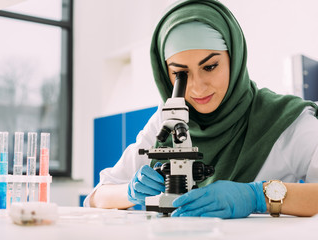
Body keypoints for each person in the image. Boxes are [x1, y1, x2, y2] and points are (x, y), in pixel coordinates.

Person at [84, 0, 318, 218]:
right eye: (180, 74)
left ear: (234, 59)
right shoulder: (168, 119)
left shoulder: (286, 120)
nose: (197, 88)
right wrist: (130, 192)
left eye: (210, 66)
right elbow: (96, 198)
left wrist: (258, 196)